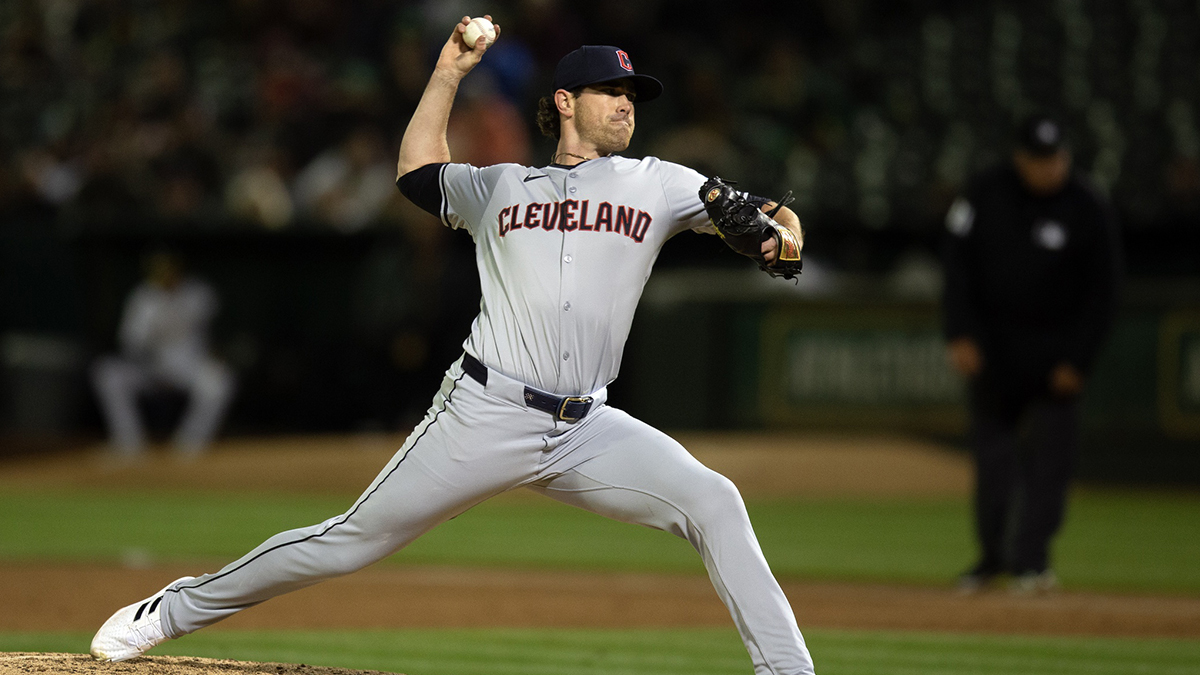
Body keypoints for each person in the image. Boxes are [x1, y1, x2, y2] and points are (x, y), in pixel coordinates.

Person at [90, 17, 815, 674]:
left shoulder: (659, 182)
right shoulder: (498, 185)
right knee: (347, 540)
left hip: (586, 427)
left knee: (714, 500)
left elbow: (772, 227)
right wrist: (448, 71)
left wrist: (776, 236)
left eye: (633, 92)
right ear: (565, 100)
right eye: (610, 89)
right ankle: (172, 609)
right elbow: (414, 174)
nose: (627, 102)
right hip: (484, 410)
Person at [942, 115, 1122, 594]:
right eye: (1038, 159)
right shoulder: (984, 193)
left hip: (1055, 356)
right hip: (993, 353)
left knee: (1049, 466)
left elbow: (1104, 293)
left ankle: (1032, 561)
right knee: (993, 461)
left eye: (1055, 158)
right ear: (1020, 157)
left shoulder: (1087, 205)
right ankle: (992, 558)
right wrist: (959, 333)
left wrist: (1079, 360)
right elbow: (956, 268)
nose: (1048, 168)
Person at [90, 249, 236, 458]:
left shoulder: (198, 293)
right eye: (158, 270)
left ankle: (190, 445)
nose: (164, 275)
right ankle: (129, 443)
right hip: (153, 367)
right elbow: (130, 343)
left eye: (168, 269)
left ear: (177, 270)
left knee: (219, 381)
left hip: (190, 366)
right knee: (107, 373)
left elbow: (218, 329)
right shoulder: (143, 298)